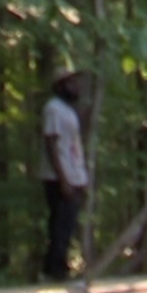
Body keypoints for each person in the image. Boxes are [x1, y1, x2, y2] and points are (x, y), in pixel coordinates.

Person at [38, 68, 89, 281]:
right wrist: (63, 179)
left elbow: (73, 145)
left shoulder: (68, 110)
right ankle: (53, 271)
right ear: (60, 86)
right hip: (58, 178)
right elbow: (51, 143)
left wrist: (80, 177)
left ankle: (58, 268)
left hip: (72, 175)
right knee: (59, 225)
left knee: (67, 226)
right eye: (71, 83)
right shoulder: (53, 109)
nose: (75, 86)